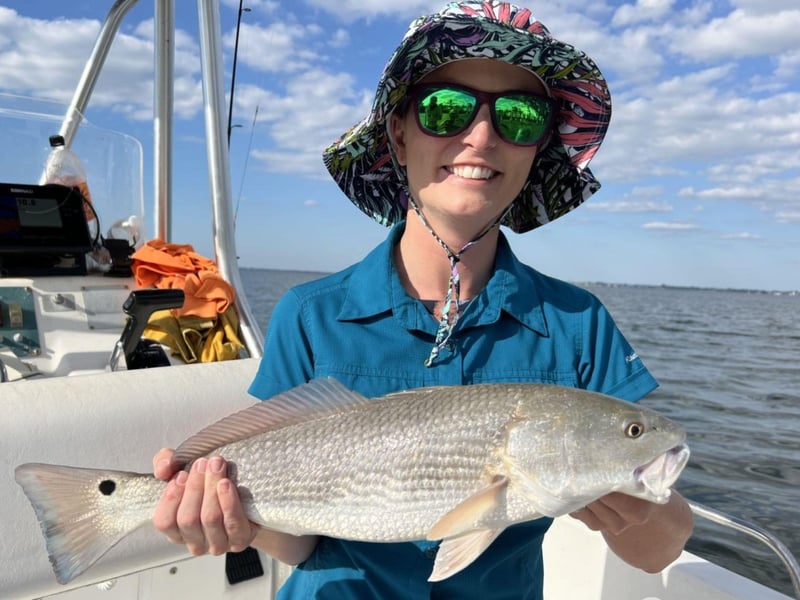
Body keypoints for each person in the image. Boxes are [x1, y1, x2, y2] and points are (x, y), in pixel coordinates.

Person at [152, 2, 694, 598]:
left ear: (537, 148)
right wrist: (234, 521)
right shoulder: (310, 314)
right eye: (447, 109)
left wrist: (641, 508)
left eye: (519, 115)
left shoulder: (578, 323)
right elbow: (301, 543)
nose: (482, 136)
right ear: (399, 132)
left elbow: (657, 553)